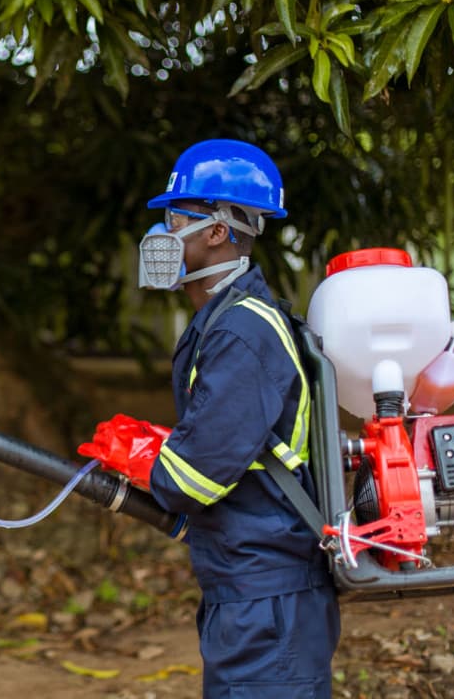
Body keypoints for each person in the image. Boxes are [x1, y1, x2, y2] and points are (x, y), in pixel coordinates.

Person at [140, 139, 340, 697]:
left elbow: (192, 474)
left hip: (268, 600)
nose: (164, 231)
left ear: (218, 230)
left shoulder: (241, 332)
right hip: (250, 587)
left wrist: (147, 463)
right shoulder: (227, 321)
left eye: (176, 215)